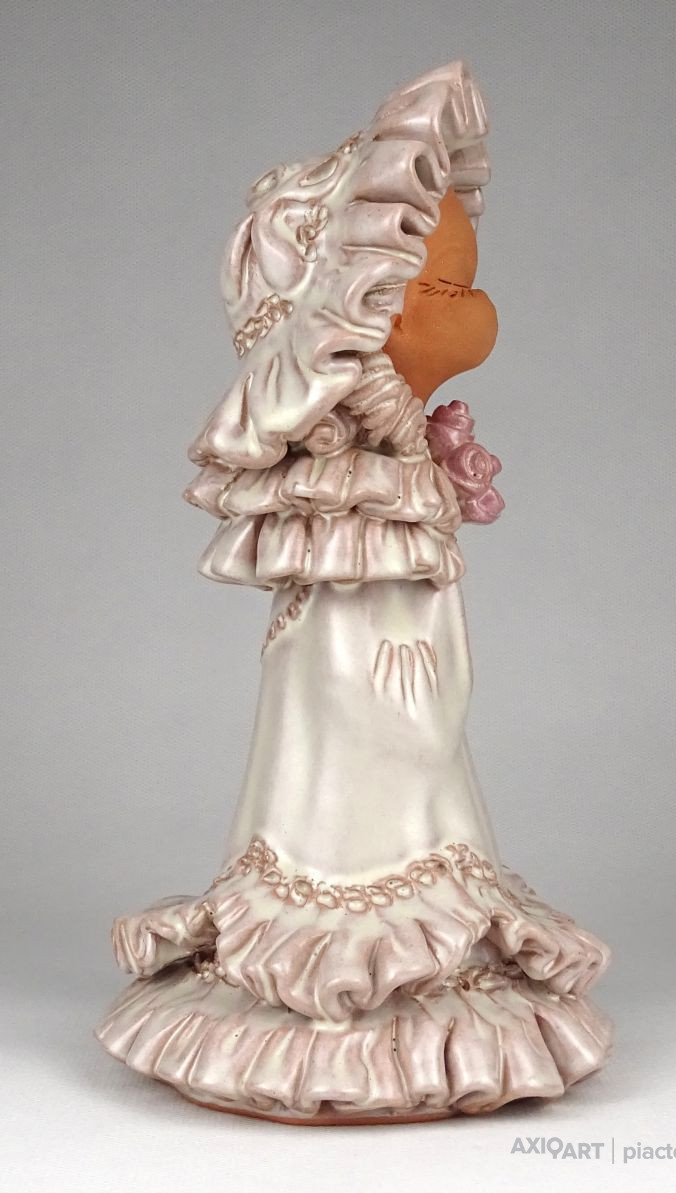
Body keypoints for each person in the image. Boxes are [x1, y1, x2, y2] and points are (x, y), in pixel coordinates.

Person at [96, 61, 611, 1124]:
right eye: (442, 290)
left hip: (415, 674)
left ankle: (418, 915)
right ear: (348, 320)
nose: (474, 309)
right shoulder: (352, 489)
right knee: (374, 756)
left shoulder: (394, 456)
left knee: (424, 770)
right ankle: (340, 956)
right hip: (377, 678)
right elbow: (354, 642)